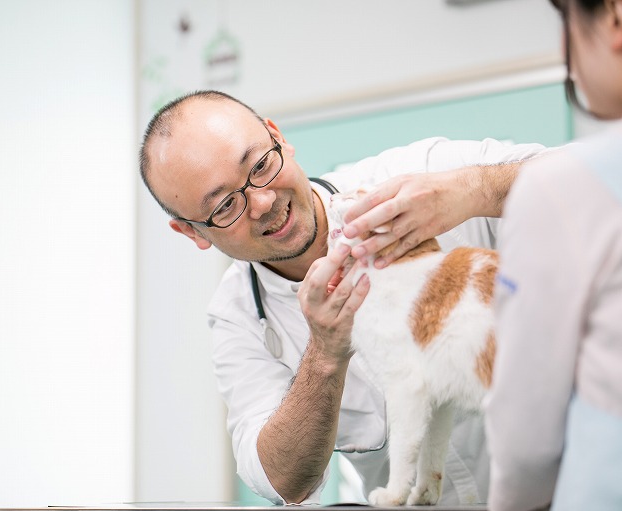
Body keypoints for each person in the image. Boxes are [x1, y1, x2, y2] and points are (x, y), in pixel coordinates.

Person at [139, 90, 549, 505]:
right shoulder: (238, 318)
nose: (262, 203)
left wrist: (477, 189)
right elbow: (282, 481)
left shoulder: (416, 175)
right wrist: (324, 353)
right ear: (193, 232)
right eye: (226, 205)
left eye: (261, 165)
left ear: (278, 137)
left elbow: (598, 175)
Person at [485, 0, 622, 509]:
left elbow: (527, 435)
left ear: (613, 15)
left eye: (564, 23)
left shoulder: (565, 188)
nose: (563, 49)